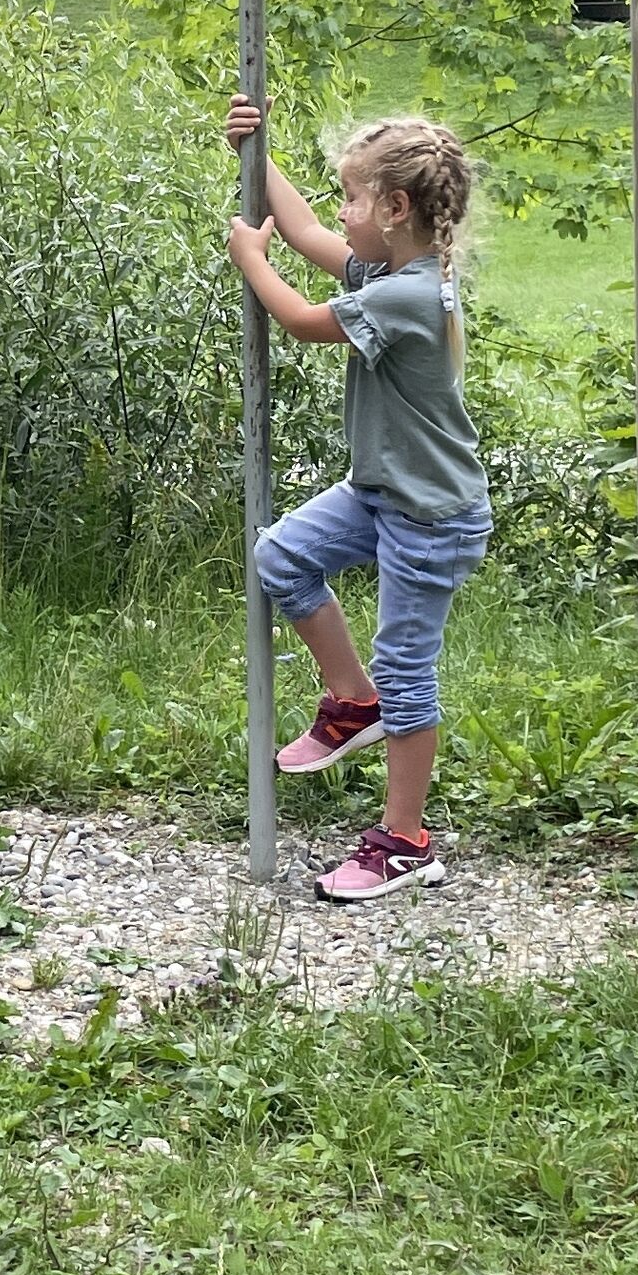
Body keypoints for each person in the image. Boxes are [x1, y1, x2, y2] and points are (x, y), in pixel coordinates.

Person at [223, 103, 492, 903]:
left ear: (394, 209)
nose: (340, 210)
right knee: (282, 555)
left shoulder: (410, 295)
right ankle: (351, 700)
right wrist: (251, 152)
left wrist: (250, 262)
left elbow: (304, 319)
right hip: (383, 494)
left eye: (352, 196)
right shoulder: (391, 272)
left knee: (411, 676)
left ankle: (405, 844)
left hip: (430, 517)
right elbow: (305, 232)